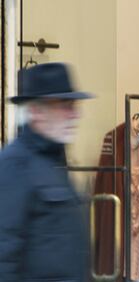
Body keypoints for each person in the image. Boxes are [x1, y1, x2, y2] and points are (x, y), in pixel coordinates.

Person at [0, 63, 92, 281]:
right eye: (65, 105)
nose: (75, 115)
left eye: (74, 105)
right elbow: (4, 256)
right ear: (36, 111)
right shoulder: (14, 166)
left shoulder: (54, 163)